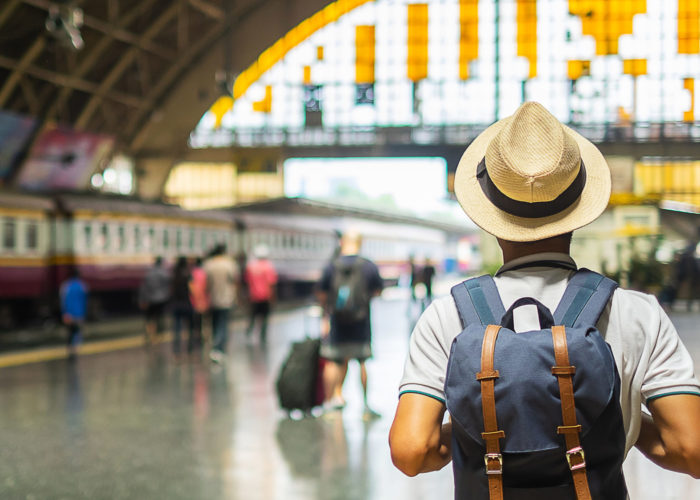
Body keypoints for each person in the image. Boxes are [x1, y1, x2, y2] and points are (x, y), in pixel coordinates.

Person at [389, 102, 700, 486]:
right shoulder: (637, 313)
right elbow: (690, 449)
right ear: (578, 205)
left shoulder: (446, 316)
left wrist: (485, 436)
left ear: (490, 212)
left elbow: (411, 450)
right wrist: (609, 423)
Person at [317, 231, 384, 418]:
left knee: (333, 361)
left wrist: (326, 316)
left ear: (342, 242)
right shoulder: (368, 266)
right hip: (361, 322)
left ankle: (329, 402)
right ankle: (365, 405)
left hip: (337, 322)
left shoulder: (331, 266)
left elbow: (322, 294)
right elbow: (378, 290)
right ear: (360, 243)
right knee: (362, 362)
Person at [204, 244, 239, 363]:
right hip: (226, 298)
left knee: (214, 323)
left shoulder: (209, 264)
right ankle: (219, 349)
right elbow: (235, 281)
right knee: (223, 324)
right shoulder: (229, 264)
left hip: (212, 298)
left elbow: (205, 283)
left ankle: (215, 345)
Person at [245, 244, 278, 345]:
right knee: (265, 316)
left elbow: (247, 282)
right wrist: (273, 297)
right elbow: (271, 284)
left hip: (253, 296)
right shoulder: (268, 266)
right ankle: (262, 335)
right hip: (265, 296)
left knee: (253, 315)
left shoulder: (251, 266)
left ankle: (249, 330)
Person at [139, 256, 170, 345]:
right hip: (161, 299)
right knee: (159, 318)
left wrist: (142, 299)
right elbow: (167, 287)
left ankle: (150, 335)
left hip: (150, 299)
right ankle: (158, 336)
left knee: (150, 318)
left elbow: (144, 287)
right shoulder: (164, 273)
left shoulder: (149, 273)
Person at [60, 268, 87, 360]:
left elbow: (64, 301)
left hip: (69, 314)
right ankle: (76, 350)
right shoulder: (82, 286)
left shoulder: (66, 286)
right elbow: (84, 301)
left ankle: (69, 350)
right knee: (77, 332)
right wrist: (83, 314)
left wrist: (65, 313)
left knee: (70, 332)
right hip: (79, 314)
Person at [170, 256, 194, 359]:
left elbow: (171, 291)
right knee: (190, 329)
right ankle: (190, 350)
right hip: (187, 304)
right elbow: (192, 290)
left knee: (177, 330)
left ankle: (177, 352)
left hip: (176, 305)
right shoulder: (188, 275)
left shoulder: (174, 275)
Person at [189, 256, 209, 348]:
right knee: (202, 321)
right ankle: (201, 338)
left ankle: (194, 339)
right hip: (203, 300)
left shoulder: (192, 273)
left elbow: (191, 287)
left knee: (195, 322)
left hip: (193, 301)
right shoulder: (204, 273)